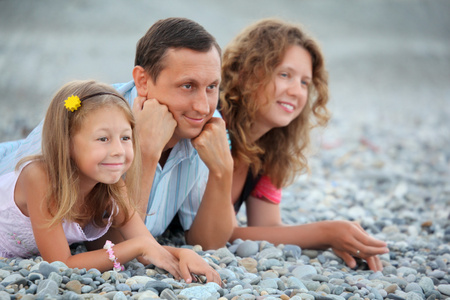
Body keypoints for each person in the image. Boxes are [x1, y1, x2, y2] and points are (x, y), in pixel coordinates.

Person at [0, 18, 234, 250]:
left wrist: (222, 171)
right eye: (187, 86)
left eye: (212, 86)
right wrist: (146, 153)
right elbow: (109, 245)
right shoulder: (89, 119)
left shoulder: (203, 124)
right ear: (142, 81)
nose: (203, 107)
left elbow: (207, 243)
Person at [0, 80, 221, 285]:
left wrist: (182, 253)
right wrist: (138, 247)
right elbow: (61, 264)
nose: (118, 151)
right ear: (66, 143)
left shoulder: (112, 188)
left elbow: (146, 249)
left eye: (125, 138)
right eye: (103, 139)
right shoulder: (40, 176)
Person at [219, 18, 389, 271]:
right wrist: (323, 232)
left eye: (304, 82)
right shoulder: (212, 127)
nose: (297, 92)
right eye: (285, 75)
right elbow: (219, 233)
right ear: (245, 73)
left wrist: (333, 236)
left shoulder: (268, 147)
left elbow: (267, 227)